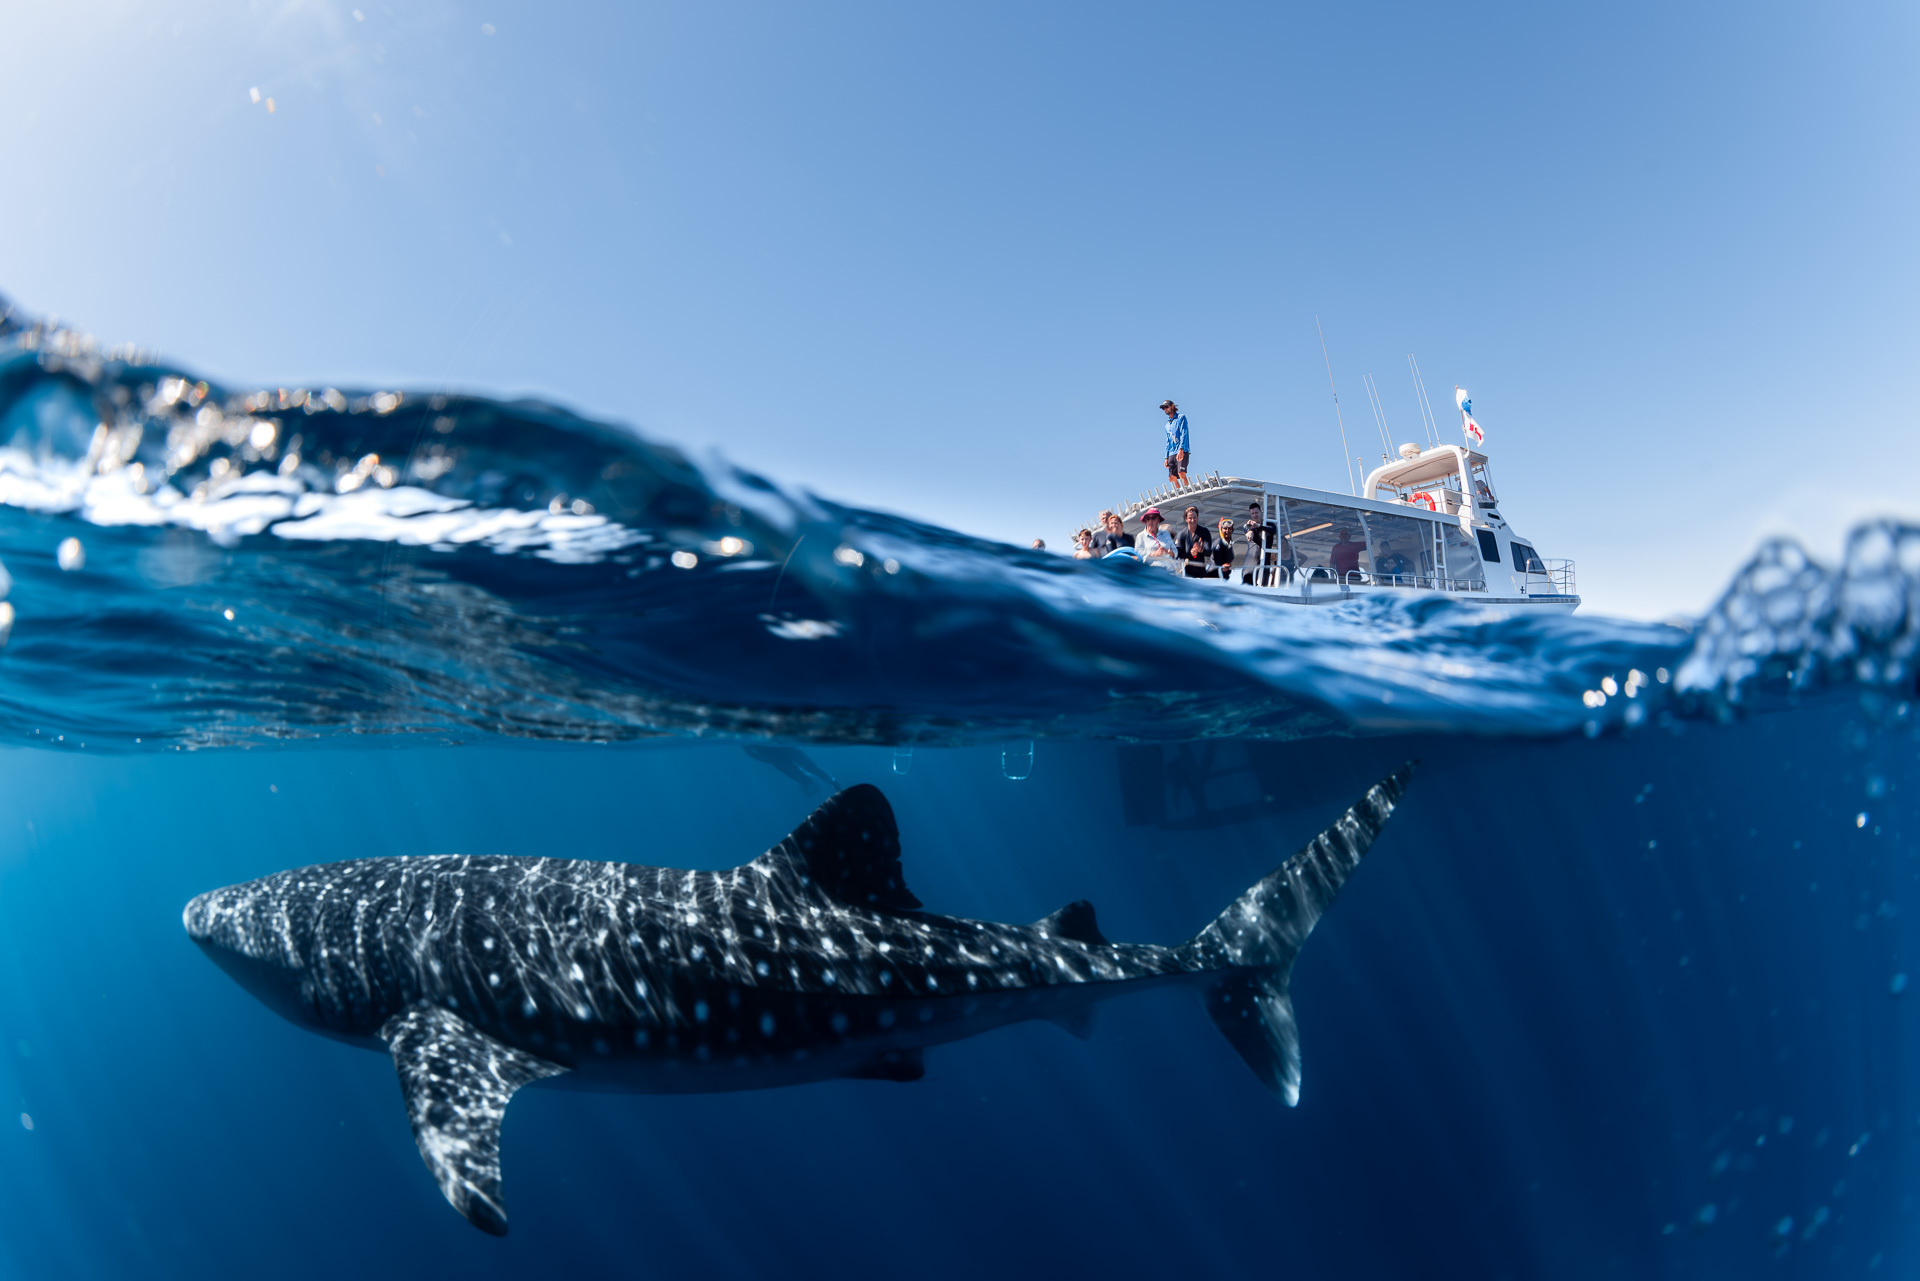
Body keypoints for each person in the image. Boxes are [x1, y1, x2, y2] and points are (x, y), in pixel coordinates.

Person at [1175, 505, 1213, 578]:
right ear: (1186, 519)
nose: (1192, 520)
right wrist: (1190, 554)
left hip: (1201, 573)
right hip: (1186, 574)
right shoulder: (1182, 534)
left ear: (1197, 517)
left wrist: (1201, 549)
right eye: (1190, 518)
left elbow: (1209, 552)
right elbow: (1178, 554)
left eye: (1194, 517)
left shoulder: (1204, 531)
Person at [1242, 503, 1274, 585]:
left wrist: (1259, 526)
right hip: (1250, 564)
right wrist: (1251, 530)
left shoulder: (1269, 524)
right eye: (1252, 513)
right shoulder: (1248, 525)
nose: (1254, 515)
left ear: (1261, 511)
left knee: (1263, 588)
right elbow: (1246, 529)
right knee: (1247, 588)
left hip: (1264, 563)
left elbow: (1273, 530)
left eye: (1256, 513)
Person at [1160, 400, 1189, 486]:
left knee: (1181, 473)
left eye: (1167, 407)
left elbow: (1184, 433)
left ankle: (1188, 490)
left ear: (1172, 406)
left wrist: (1181, 449)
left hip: (1181, 449)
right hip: (1171, 452)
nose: (1165, 409)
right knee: (1171, 477)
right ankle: (1180, 492)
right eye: (1164, 408)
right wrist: (1166, 457)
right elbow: (1168, 442)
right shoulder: (1167, 425)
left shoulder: (1181, 417)